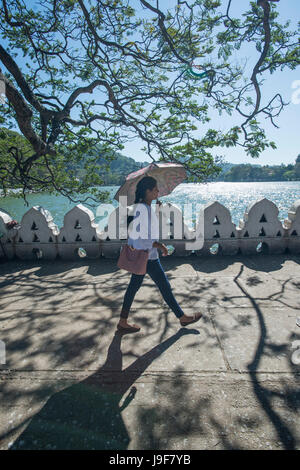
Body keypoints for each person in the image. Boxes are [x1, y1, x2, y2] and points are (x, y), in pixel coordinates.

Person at [117, 176, 202, 333]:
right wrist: (159, 245)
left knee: (136, 287)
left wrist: (155, 210)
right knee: (164, 287)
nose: (158, 191)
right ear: (147, 191)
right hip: (147, 256)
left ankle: (123, 321)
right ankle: (182, 317)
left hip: (147, 255)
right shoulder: (143, 209)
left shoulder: (144, 208)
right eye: (155, 188)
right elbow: (142, 237)